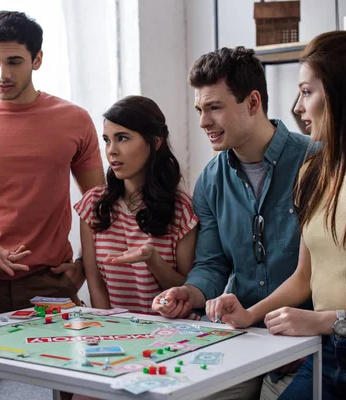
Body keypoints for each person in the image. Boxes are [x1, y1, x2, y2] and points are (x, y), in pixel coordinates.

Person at [152, 46, 315, 399]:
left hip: (306, 343)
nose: (202, 122)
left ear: (252, 103)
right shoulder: (209, 179)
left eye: (214, 107)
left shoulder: (315, 161)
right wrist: (190, 293)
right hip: (241, 339)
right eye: (199, 109)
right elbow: (212, 262)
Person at [205, 31, 346, 400]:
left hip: (323, 334)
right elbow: (304, 278)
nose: (298, 107)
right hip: (326, 352)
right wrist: (249, 315)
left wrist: (324, 320)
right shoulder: (314, 171)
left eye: (307, 91)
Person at [0, 11, 104, 318]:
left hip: (50, 282)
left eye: (14, 61)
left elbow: (99, 202)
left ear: (36, 59)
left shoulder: (75, 120)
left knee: (56, 367)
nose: (2, 74)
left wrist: (83, 265)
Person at [73, 96, 198, 314]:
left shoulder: (182, 209)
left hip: (169, 335)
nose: (111, 150)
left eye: (122, 138)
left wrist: (152, 259)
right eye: (107, 140)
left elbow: (186, 292)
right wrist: (110, 331)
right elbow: (95, 284)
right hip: (113, 334)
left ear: (155, 142)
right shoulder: (93, 205)